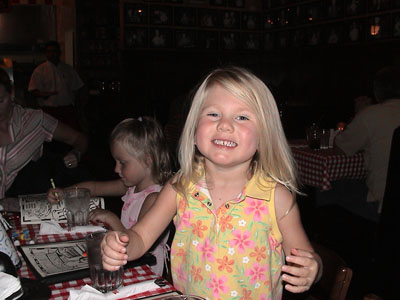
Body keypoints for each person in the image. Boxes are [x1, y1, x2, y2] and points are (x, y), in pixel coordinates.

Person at [100, 67, 322, 299]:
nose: (225, 125)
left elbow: (305, 257)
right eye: (213, 114)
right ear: (195, 131)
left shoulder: (276, 198)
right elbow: (141, 238)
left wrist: (311, 269)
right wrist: (121, 245)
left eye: (242, 117)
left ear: (264, 136)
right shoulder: (180, 187)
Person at [48, 117, 173, 276]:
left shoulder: (155, 198)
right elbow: (93, 187)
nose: (115, 168)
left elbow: (135, 242)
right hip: (122, 259)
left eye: (122, 162)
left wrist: (111, 218)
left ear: (148, 160)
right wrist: (65, 192)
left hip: (142, 271)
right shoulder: (130, 186)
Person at [0, 67, 88, 200]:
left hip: (20, 207)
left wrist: (76, 154)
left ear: (11, 94)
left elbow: (79, 139)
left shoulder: (34, 120)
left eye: (0, 101)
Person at [334, 66, 400, 222]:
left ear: (377, 92)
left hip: (384, 205)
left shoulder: (371, 114)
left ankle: (329, 239)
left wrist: (360, 113)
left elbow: (341, 147)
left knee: (330, 187)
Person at [28, 40, 86, 131]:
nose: (51, 54)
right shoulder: (39, 71)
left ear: (59, 53)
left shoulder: (68, 69)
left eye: (54, 51)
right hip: (49, 111)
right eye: (49, 51)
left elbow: (78, 88)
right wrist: (43, 95)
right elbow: (33, 91)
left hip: (67, 110)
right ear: (46, 53)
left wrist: (79, 109)